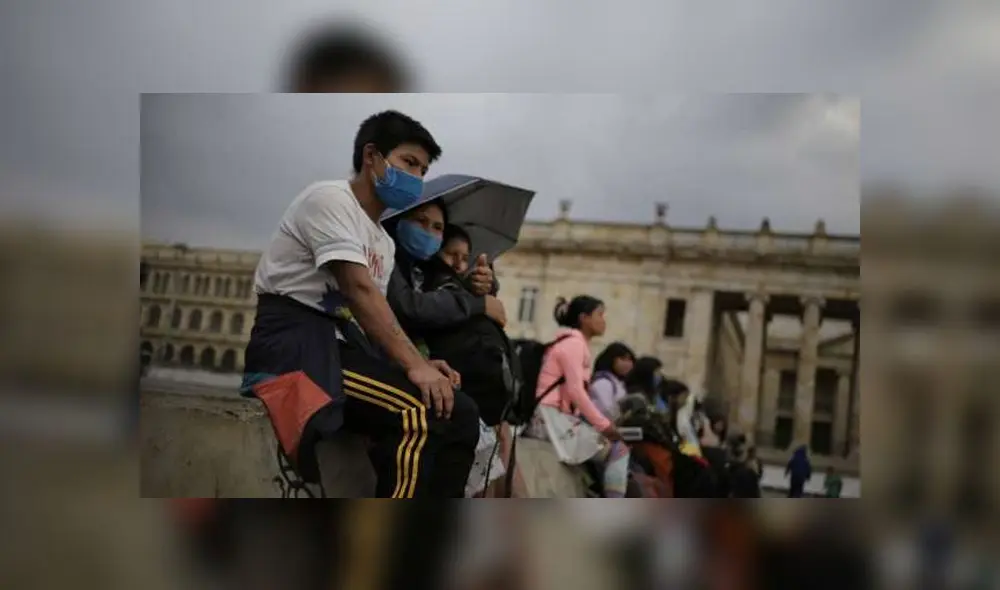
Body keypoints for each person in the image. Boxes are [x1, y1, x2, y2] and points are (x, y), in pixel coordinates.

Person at [241, 110, 481, 498]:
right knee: (417, 411)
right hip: (295, 344)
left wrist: (419, 363)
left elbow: (375, 321)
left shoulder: (382, 242)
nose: (417, 178)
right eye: (408, 162)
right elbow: (359, 291)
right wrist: (414, 368)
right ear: (372, 157)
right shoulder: (329, 199)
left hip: (344, 346)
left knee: (461, 413)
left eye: (422, 169)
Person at [527, 295, 631, 497]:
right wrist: (605, 426)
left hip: (555, 416)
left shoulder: (571, 342)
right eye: (599, 315)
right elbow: (576, 392)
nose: (604, 320)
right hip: (550, 419)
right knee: (619, 449)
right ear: (584, 318)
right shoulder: (574, 345)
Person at [588, 342, 636, 421]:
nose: (627, 363)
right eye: (623, 359)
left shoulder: (619, 382)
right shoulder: (603, 381)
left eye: (630, 360)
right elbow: (607, 410)